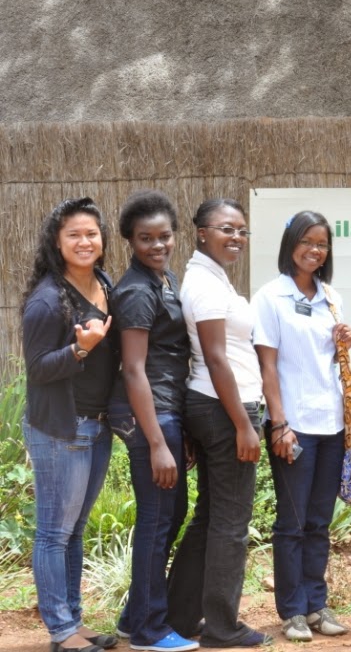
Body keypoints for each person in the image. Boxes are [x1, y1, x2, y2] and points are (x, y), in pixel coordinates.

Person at [165, 199, 273, 647]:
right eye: (226, 229)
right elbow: (214, 356)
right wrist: (244, 426)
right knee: (230, 521)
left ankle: (181, 616)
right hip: (226, 410)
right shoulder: (206, 284)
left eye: (242, 231)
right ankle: (224, 626)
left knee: (211, 517)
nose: (237, 238)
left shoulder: (211, 277)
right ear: (201, 233)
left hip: (216, 406)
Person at [252, 211, 351, 641]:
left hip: (331, 424)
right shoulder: (270, 297)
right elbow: (268, 367)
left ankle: (317, 605)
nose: (315, 250)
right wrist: (279, 424)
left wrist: (342, 344)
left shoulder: (331, 297)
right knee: (292, 523)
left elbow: (327, 365)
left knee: (319, 522)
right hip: (293, 426)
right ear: (291, 243)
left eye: (323, 244)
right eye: (308, 241)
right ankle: (292, 611)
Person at [21, 197, 118, 652]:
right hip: (61, 429)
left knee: (74, 531)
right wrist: (82, 349)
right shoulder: (46, 299)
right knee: (53, 533)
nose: (85, 241)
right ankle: (60, 630)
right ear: (57, 243)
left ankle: (74, 622)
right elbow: (38, 368)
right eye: (74, 235)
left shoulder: (103, 282)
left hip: (96, 427)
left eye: (91, 233)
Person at [107, 190, 196, 652]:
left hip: (167, 409)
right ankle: (148, 631)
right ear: (130, 240)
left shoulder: (166, 279)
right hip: (149, 412)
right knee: (158, 518)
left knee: (170, 512)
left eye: (164, 236)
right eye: (146, 239)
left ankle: (132, 618)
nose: (157, 245)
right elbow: (134, 368)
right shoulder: (138, 291)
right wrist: (158, 441)